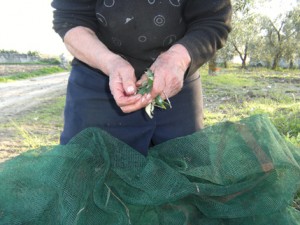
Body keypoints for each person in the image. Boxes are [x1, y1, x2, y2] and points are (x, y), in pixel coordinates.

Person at [51, 0, 232, 156]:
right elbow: (70, 18)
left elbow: (213, 19)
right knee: (92, 173)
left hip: (178, 79)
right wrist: (111, 63)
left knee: (186, 171)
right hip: (99, 82)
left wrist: (177, 59)